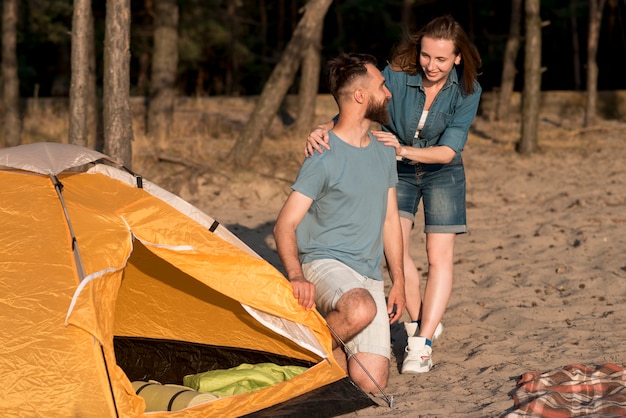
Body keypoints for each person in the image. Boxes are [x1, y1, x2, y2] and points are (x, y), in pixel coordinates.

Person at [305, 15, 482, 374]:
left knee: (439, 254)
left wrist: (403, 150)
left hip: (440, 169)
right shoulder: (398, 74)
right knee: (396, 249)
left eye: (442, 60)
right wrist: (319, 129)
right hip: (397, 168)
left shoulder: (468, 91)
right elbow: (358, 107)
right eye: (426, 56)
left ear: (458, 58)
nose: (431, 66)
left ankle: (422, 343)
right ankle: (422, 320)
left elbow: (448, 151)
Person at [273, 52, 406, 393]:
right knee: (360, 307)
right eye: (381, 86)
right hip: (324, 262)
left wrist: (400, 282)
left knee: (371, 382)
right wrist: (297, 276)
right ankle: (294, 351)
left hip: (368, 275)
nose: (388, 92)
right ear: (360, 96)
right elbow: (284, 225)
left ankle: (327, 336)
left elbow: (391, 220)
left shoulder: (383, 151)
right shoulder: (323, 155)